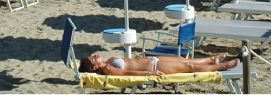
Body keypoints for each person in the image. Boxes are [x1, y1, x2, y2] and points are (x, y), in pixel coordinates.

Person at [78, 53, 239, 76]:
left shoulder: (108, 61)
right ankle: (223, 66)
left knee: (183, 60)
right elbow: (128, 74)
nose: (96, 56)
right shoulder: (108, 69)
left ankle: (212, 59)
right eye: (94, 59)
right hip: (154, 68)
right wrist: (150, 74)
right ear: (95, 67)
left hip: (152, 60)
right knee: (189, 68)